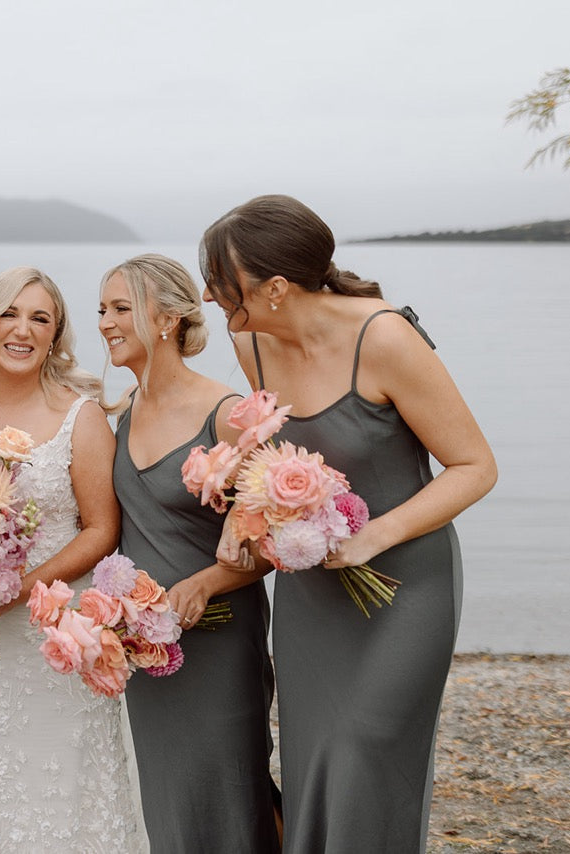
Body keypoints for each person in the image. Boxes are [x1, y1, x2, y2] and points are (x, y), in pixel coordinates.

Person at [201, 195, 498, 853]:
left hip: (405, 586)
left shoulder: (385, 338)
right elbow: (273, 448)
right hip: (314, 591)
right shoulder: (251, 338)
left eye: (225, 284)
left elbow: (475, 467)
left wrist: (372, 536)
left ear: (276, 288)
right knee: (314, 759)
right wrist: (246, 507)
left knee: (365, 746)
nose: (211, 295)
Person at [0, 267, 145, 852]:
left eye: (40, 318)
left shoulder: (80, 415)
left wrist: (20, 586)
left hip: (57, 630)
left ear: (55, 334)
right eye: (9, 314)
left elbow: (102, 528)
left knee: (71, 780)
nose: (22, 330)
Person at [99, 253, 281, 853]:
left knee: (231, 790)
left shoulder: (228, 415)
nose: (105, 322)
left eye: (122, 308)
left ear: (168, 320)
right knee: (168, 797)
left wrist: (205, 584)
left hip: (220, 638)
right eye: (102, 309)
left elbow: (279, 539)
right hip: (148, 648)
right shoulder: (121, 413)